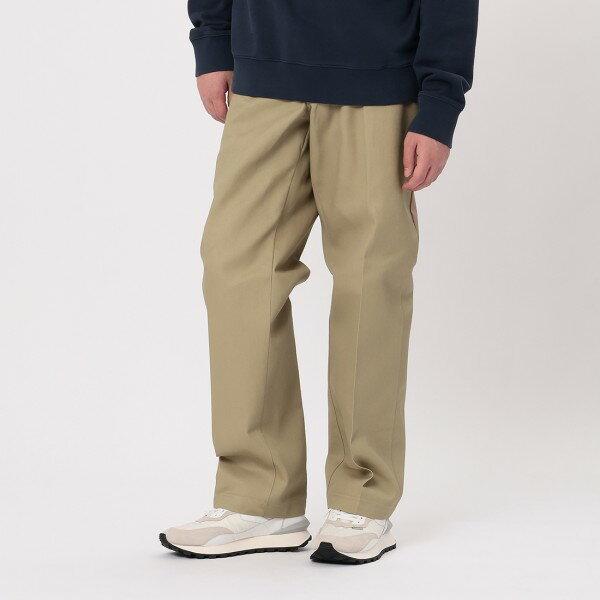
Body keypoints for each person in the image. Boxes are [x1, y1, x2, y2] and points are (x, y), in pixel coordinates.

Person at [160, 0, 478, 564]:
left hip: (379, 83)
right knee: (235, 270)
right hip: (264, 74)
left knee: (370, 283)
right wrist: (212, 40)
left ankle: (362, 499)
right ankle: (261, 498)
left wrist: (440, 100)